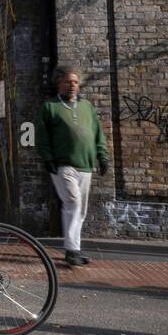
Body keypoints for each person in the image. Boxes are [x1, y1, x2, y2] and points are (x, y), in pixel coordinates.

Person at [35, 66, 109, 267]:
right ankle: (71, 250)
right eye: (68, 81)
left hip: (86, 165)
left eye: (76, 82)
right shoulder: (50, 107)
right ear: (59, 83)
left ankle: (74, 248)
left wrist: (103, 157)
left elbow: (97, 134)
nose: (73, 85)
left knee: (81, 210)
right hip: (62, 165)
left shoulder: (86, 107)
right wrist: (47, 157)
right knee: (73, 203)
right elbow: (41, 136)